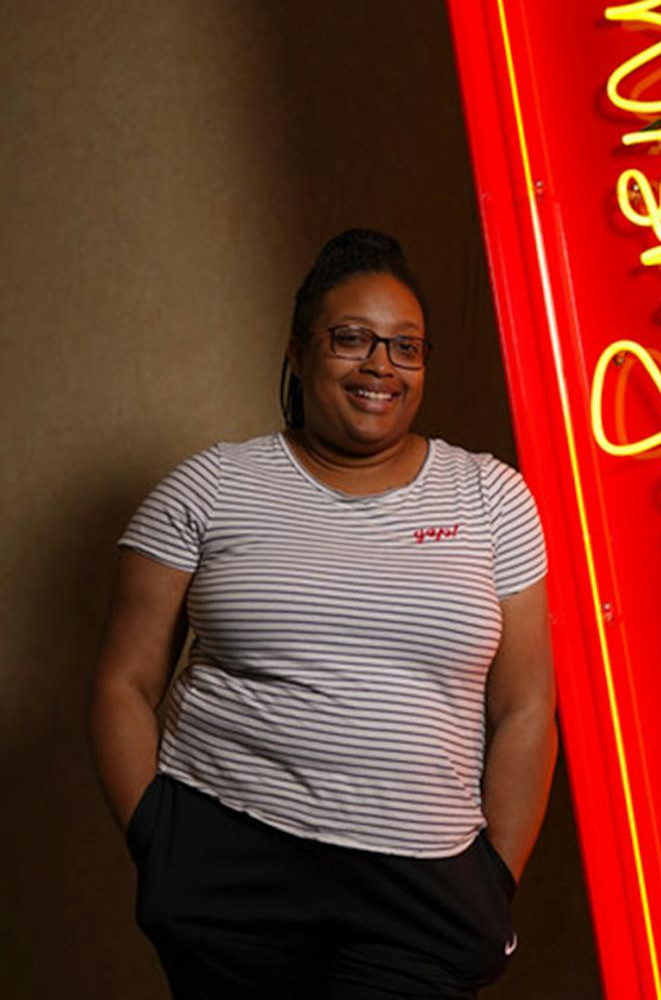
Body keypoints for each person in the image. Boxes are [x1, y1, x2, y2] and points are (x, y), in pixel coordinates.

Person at [88, 229, 556, 999]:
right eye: (352, 339)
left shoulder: (490, 497)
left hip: (424, 880)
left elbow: (527, 704)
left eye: (406, 347)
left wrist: (495, 871)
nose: (380, 365)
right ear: (299, 352)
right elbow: (124, 681)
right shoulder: (210, 487)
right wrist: (159, 840)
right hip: (231, 862)